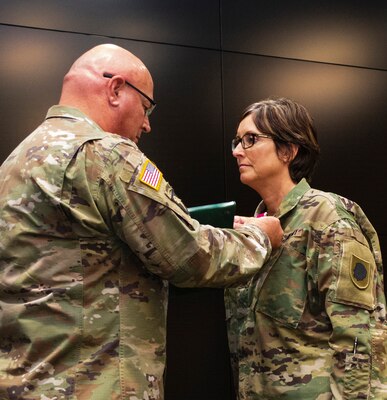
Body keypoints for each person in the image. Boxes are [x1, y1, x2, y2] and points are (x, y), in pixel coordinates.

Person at [0, 44, 283, 400]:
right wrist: (261, 236)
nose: (147, 124)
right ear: (116, 89)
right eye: (147, 107)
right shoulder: (106, 154)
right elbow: (189, 256)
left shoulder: (16, 161)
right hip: (93, 385)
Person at [226, 97, 387, 399]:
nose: (237, 151)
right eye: (236, 141)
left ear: (288, 150)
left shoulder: (327, 219)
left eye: (250, 139)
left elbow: (356, 336)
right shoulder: (257, 228)